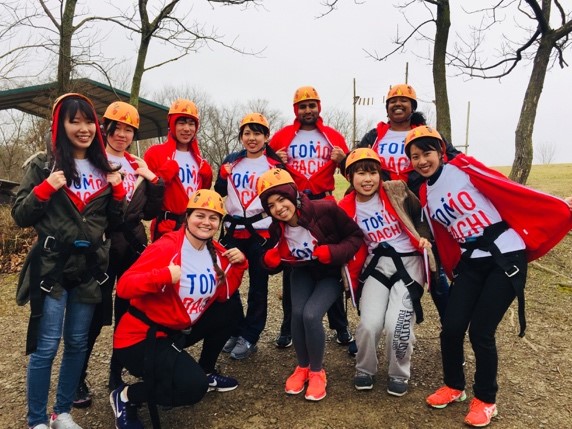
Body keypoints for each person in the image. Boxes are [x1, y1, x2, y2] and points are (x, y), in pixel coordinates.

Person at [404, 126, 572, 427]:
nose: (421, 161)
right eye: (415, 156)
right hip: (471, 262)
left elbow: (506, 187)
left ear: (440, 151)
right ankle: (454, 386)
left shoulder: (462, 168)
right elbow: (442, 232)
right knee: (451, 327)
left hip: (505, 257)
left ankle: (486, 400)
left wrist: (555, 204)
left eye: (426, 153)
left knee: (481, 331)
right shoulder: (426, 191)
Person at [12, 93, 126, 429]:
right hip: (53, 268)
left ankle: (61, 413)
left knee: (77, 342)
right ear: (60, 125)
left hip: (90, 270)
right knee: (46, 346)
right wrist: (45, 188)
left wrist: (118, 194)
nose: (84, 128)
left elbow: (114, 222)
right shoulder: (43, 165)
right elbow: (20, 214)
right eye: (74, 121)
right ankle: (36, 421)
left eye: (89, 121)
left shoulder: (106, 168)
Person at [110, 189, 248, 429]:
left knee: (230, 311)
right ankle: (126, 396)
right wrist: (162, 275)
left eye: (213, 217)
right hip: (141, 338)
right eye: (200, 215)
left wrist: (239, 264)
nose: (206, 222)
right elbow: (124, 287)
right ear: (187, 216)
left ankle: (206, 370)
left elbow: (224, 295)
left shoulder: (215, 251)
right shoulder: (167, 247)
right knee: (192, 388)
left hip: (176, 329)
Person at [73, 101, 165, 408]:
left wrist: (154, 181)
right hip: (101, 248)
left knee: (127, 314)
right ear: (106, 128)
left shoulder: (136, 165)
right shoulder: (90, 161)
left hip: (132, 247)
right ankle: (77, 377)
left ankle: (116, 373)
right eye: (118, 128)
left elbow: (150, 212)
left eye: (129, 130)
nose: (122, 135)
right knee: (94, 315)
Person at [356, 83, 460, 322]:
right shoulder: (374, 136)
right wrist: (343, 161)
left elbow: (452, 157)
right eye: (392, 101)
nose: (398, 104)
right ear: (387, 108)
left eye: (403, 100)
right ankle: (380, 319)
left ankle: (450, 327)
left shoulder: (425, 133)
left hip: (420, 204)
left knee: (435, 269)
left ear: (412, 106)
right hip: (386, 209)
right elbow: (357, 165)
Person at [258, 168, 363, 401]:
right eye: (271, 205)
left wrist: (332, 252)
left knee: (311, 315)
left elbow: (355, 237)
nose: (278, 208)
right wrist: (269, 262)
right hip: (302, 272)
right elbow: (273, 259)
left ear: (292, 195)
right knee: (296, 314)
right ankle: (302, 367)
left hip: (330, 273)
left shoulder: (325, 209)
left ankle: (317, 372)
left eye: (282, 199)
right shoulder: (276, 227)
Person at [339, 148, 436, 397]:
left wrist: (423, 237)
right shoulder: (345, 208)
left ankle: (398, 372)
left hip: (409, 263)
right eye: (361, 173)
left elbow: (419, 215)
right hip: (376, 265)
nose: (368, 179)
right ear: (349, 177)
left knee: (397, 324)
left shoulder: (397, 190)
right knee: (369, 324)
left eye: (373, 172)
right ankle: (365, 368)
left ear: (380, 174)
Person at [268, 86, 353, 350]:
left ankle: (340, 326)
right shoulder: (282, 136)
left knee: (330, 263)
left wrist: (344, 159)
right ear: (296, 110)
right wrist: (276, 162)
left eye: (311, 105)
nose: (307, 110)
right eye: (302, 106)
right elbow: (268, 173)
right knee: (292, 266)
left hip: (323, 202)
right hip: (292, 206)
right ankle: (288, 327)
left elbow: (353, 172)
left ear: (319, 107)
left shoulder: (332, 136)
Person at [214, 113, 284, 360]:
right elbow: (219, 190)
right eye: (247, 133)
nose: (252, 138)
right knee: (228, 283)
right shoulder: (232, 161)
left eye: (257, 133)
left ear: (266, 137)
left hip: (260, 233)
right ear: (241, 136)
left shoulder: (274, 164)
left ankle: (250, 335)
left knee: (258, 287)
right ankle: (235, 329)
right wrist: (223, 176)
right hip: (234, 231)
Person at [144, 98, 213, 241]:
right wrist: (162, 176)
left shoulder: (200, 161)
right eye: (181, 123)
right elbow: (146, 194)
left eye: (191, 124)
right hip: (166, 229)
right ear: (172, 124)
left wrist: (208, 178)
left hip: (195, 228)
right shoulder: (155, 153)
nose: (187, 129)